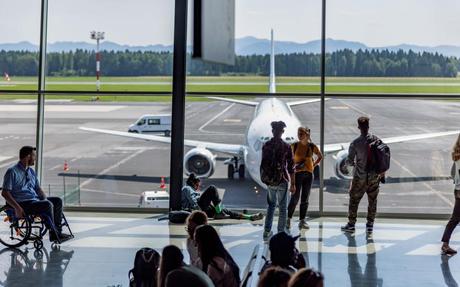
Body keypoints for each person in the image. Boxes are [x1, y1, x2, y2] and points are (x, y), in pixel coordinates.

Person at [1, 146, 72, 242]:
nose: (35, 158)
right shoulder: (12, 172)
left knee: (57, 201)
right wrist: (17, 208)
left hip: (34, 200)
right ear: (28, 156)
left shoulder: (31, 171)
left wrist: (44, 199)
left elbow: (38, 188)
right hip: (21, 203)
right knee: (47, 205)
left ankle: (57, 231)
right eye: (34, 156)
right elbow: (5, 193)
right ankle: (53, 232)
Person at [341, 117, 384, 233]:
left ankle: (351, 224)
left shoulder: (355, 143)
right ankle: (370, 225)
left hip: (360, 177)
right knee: (372, 201)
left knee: (354, 200)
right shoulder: (376, 140)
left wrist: (351, 163)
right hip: (374, 177)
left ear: (359, 127)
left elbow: (349, 161)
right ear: (368, 126)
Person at [260, 121, 296, 240]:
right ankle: (280, 232)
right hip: (282, 180)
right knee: (282, 208)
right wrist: (293, 183)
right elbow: (291, 167)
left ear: (272, 131)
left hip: (270, 181)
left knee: (271, 206)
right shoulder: (286, 147)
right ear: (282, 132)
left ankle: (266, 231)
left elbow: (264, 164)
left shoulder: (266, 145)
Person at [181, 173, 264, 221]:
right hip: (197, 209)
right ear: (193, 183)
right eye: (197, 185)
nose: (197, 187)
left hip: (203, 209)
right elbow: (193, 202)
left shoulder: (190, 189)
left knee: (227, 211)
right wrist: (199, 214)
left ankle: (249, 217)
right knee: (212, 188)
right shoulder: (187, 188)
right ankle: (219, 212)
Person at [287, 127, 322, 230]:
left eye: (301, 133)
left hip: (308, 175)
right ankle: (288, 219)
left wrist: (312, 165)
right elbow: (289, 160)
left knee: (305, 199)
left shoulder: (312, 146)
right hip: (297, 175)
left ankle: (302, 221)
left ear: (307, 135)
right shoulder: (294, 146)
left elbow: (320, 156)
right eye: (298, 133)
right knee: (295, 198)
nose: (299, 135)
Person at [441, 134, 460, 255]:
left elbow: (453, 173)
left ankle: (445, 244)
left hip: (458, 190)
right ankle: (445, 244)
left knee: (455, 219)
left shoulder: (457, 156)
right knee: (455, 219)